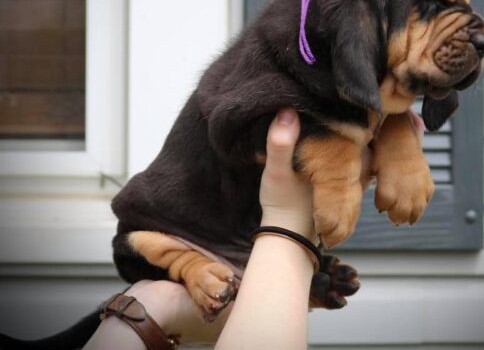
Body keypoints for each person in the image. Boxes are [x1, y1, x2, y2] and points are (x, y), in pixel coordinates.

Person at [84, 108, 425, 349]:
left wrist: (154, 303)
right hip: (165, 232)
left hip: (234, 243)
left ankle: (261, 280)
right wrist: (291, 223)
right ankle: (197, 266)